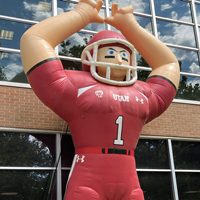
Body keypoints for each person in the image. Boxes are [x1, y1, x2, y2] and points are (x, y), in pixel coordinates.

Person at [20, 0, 180, 199]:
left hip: (129, 177)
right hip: (88, 176)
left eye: (124, 54)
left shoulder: (144, 92)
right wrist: (81, 14)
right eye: (111, 54)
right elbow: (34, 39)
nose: (120, 59)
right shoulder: (76, 85)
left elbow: (169, 64)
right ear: (90, 57)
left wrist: (131, 26)